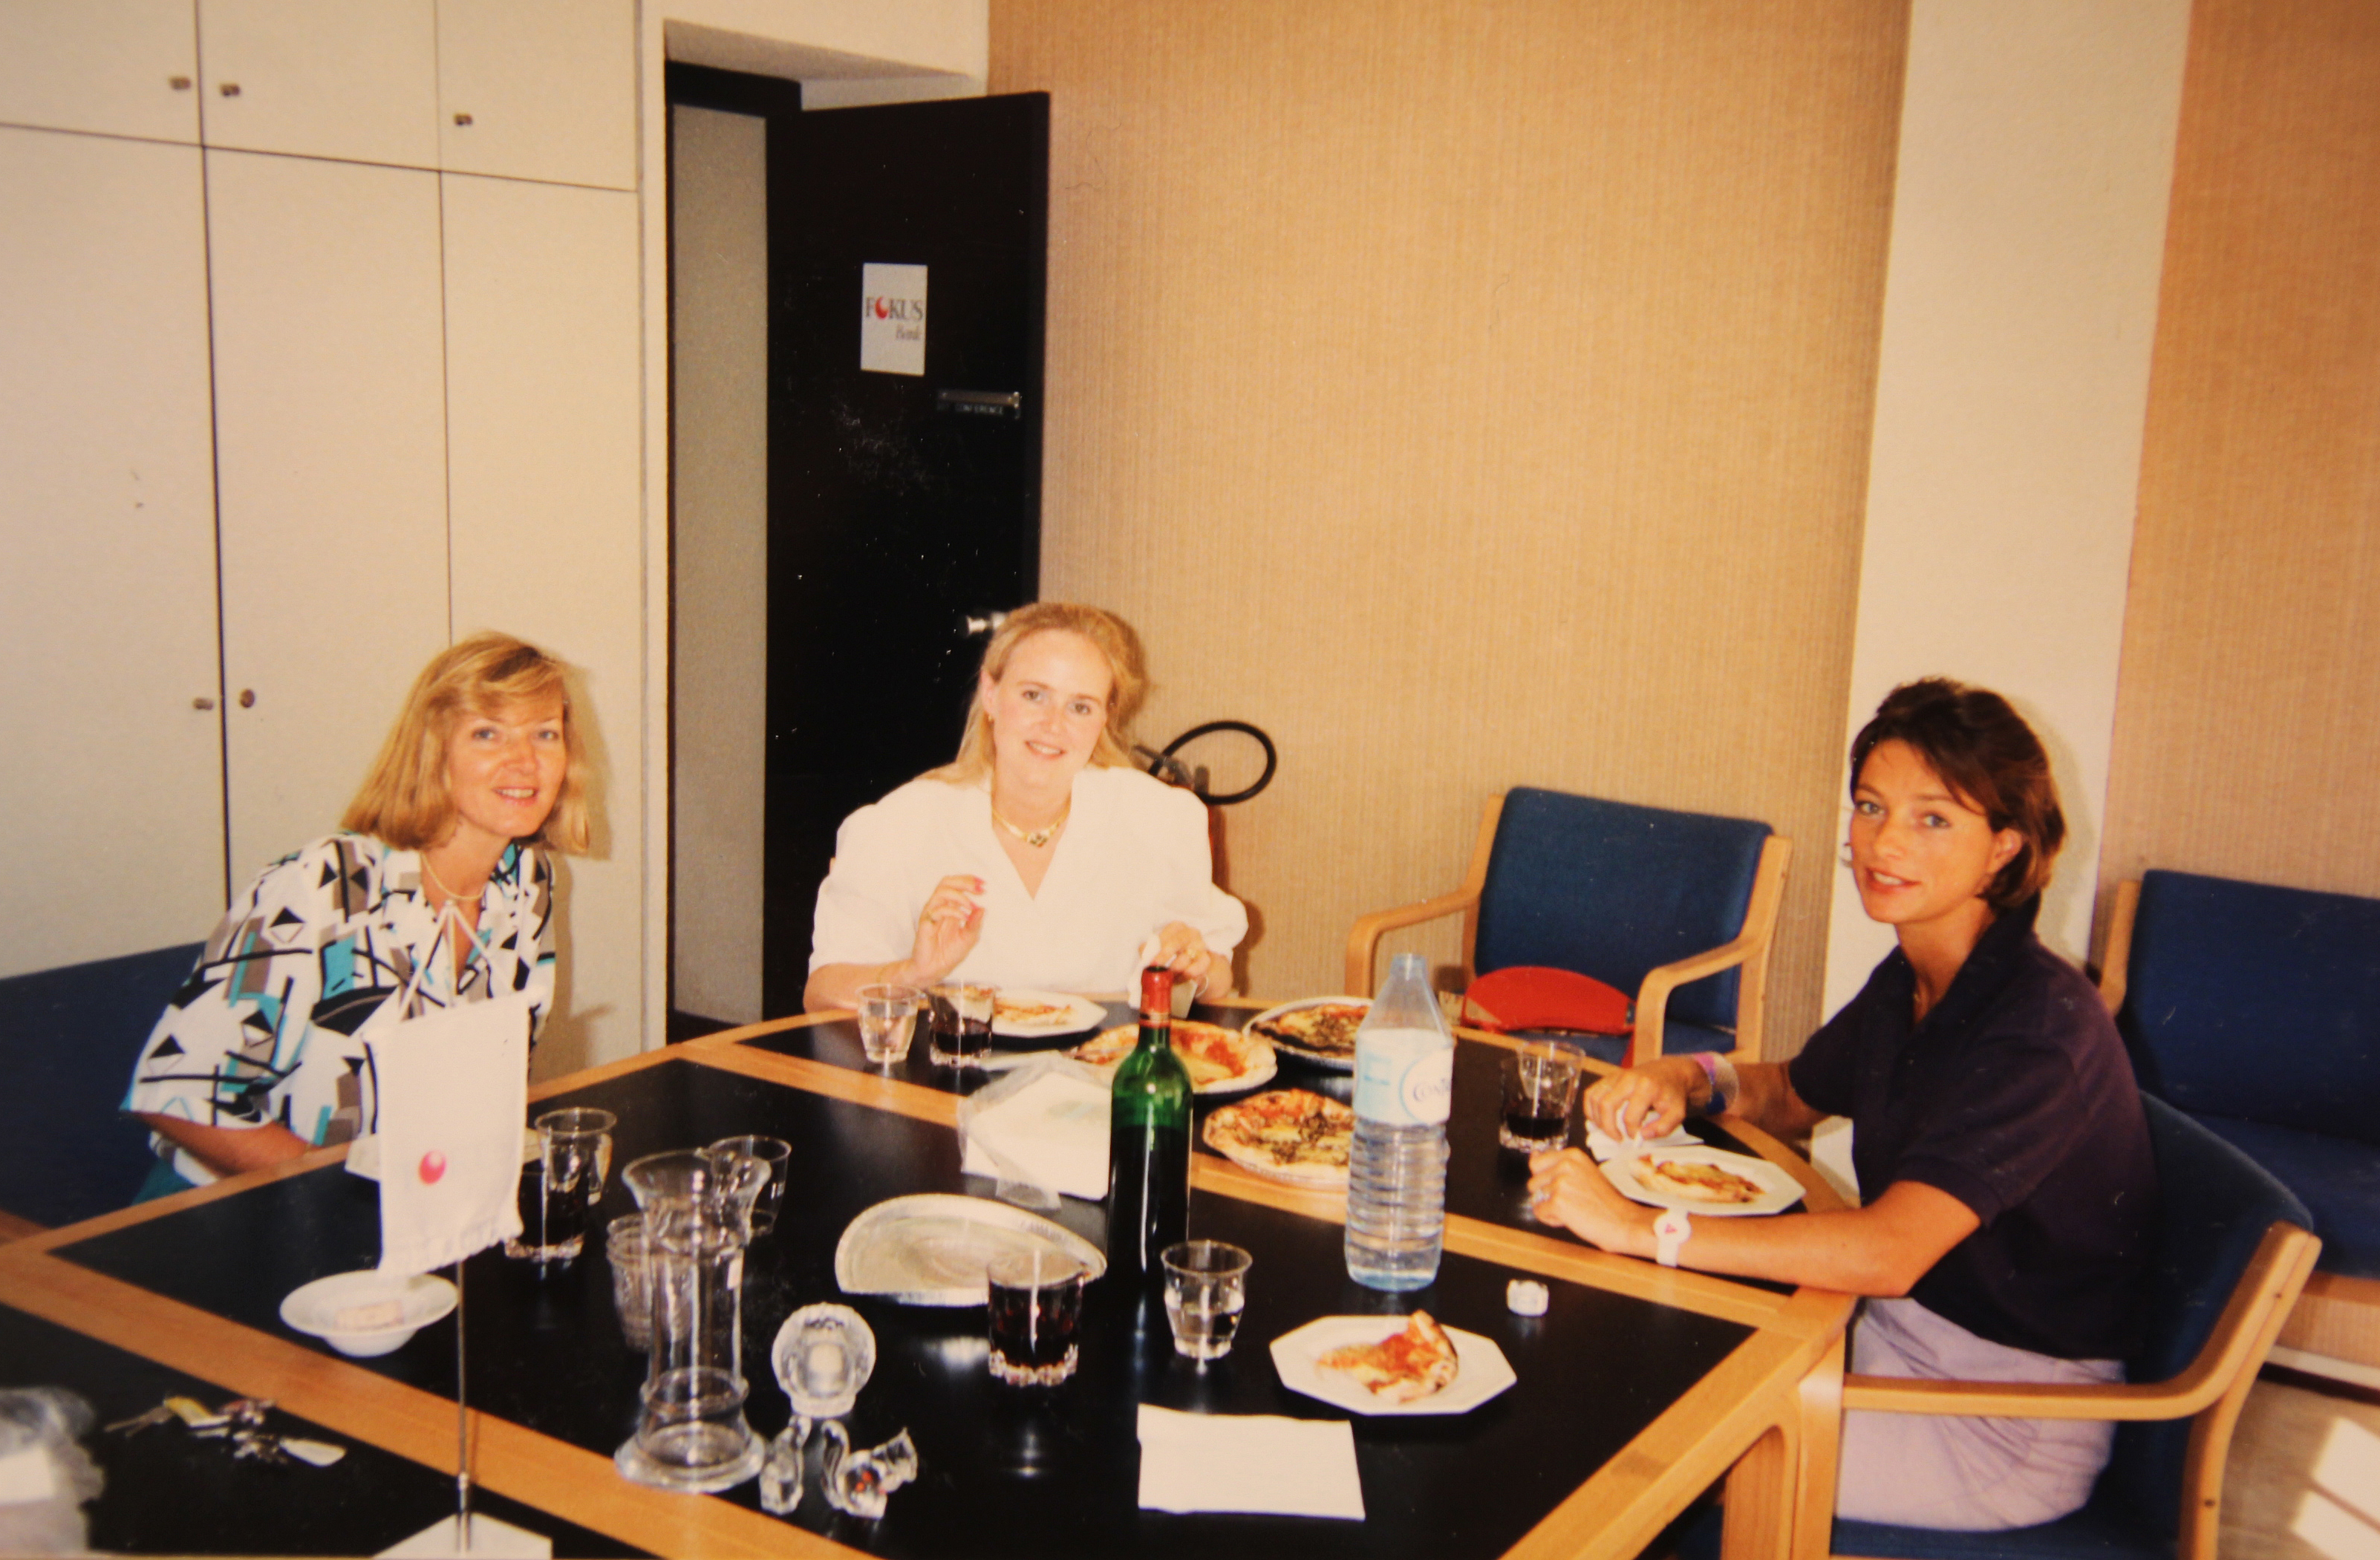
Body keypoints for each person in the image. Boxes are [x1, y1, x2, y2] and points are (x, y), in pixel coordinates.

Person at [1526, 678, 2156, 1532]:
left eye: (1934, 818)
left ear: (2004, 846)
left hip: (2000, 1418)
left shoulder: (2038, 1027)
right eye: (1870, 806)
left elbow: (1890, 1249)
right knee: (1613, 1350)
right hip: (1883, 1333)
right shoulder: (1919, 974)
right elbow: (1791, 1092)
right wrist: (1685, 1075)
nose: (1883, 842)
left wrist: (1642, 1229)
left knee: (1628, 1442)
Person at [124, 633, 589, 1196]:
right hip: (234, 1213)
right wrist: (344, 1195)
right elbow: (175, 1095)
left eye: (545, 734)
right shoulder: (323, 886)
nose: (525, 761)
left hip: (410, 1209)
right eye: (487, 733)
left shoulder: (526, 879)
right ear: (432, 751)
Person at [805, 601, 1247, 1010]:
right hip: (953, 1082)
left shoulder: (1158, 818)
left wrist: (1195, 966)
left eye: (1080, 706)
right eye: (1034, 695)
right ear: (992, 694)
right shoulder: (902, 824)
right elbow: (822, 992)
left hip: (1105, 1081)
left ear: (1105, 718)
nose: (1053, 726)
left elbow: (1218, 979)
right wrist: (913, 973)